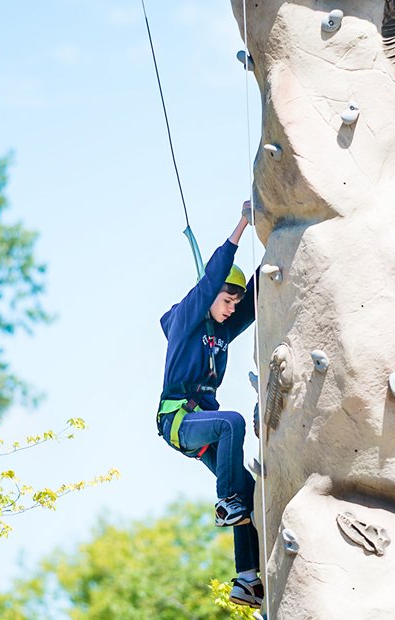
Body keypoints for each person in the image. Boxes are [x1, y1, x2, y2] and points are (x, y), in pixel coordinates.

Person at [156, 202, 263, 609]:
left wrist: (278, 235)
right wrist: (243, 225)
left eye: (235, 301)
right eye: (226, 299)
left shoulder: (223, 326)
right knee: (232, 423)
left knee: (249, 492)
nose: (232, 306)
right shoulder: (187, 322)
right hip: (178, 419)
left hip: (202, 422)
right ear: (210, 297)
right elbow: (214, 276)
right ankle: (224, 503)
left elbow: (253, 297)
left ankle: (247, 579)